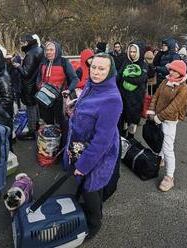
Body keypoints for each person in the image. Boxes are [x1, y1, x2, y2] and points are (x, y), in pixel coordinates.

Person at [63, 53, 122, 239]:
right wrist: (73, 111)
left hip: (97, 153)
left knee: (92, 187)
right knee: (84, 184)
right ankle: (90, 208)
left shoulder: (112, 99)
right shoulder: (91, 85)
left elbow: (102, 140)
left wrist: (83, 165)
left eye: (101, 69)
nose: (96, 72)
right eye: (94, 67)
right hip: (81, 145)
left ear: (110, 71)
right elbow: (85, 110)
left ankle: (94, 223)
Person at [147, 60, 187, 192]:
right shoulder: (165, 81)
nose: (170, 72)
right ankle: (161, 159)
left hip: (169, 121)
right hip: (158, 117)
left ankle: (169, 177)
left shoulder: (183, 89)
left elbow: (174, 107)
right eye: (170, 69)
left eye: (174, 70)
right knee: (159, 141)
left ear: (181, 73)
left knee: (168, 148)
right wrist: (152, 110)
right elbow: (156, 96)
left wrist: (158, 117)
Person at [37, 41, 79, 130]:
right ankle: (51, 140)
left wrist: (68, 90)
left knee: (61, 122)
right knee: (47, 122)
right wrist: (39, 86)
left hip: (59, 98)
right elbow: (39, 76)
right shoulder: (44, 61)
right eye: (47, 50)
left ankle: (63, 142)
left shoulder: (64, 62)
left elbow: (75, 79)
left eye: (51, 50)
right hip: (45, 97)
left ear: (57, 50)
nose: (48, 52)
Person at [13, 34, 44, 140]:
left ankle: (32, 131)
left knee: (31, 108)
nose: (22, 44)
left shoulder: (30, 53)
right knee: (36, 107)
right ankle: (37, 128)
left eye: (23, 42)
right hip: (36, 84)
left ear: (28, 42)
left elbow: (26, 73)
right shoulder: (39, 50)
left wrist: (17, 66)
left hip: (29, 86)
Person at [118, 42, 148, 139]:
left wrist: (125, 77)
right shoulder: (126, 62)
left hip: (136, 97)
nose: (132, 54)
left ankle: (131, 138)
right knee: (123, 118)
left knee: (133, 119)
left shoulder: (143, 64)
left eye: (134, 52)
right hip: (124, 96)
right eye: (130, 51)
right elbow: (119, 75)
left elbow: (140, 80)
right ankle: (122, 137)